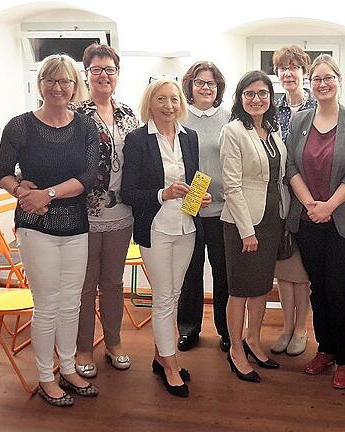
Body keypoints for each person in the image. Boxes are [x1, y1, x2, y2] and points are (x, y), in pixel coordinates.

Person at [0, 54, 99, 407]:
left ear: (75, 86)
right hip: (35, 227)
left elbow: (88, 177)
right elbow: (2, 172)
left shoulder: (84, 126)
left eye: (65, 81)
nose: (58, 88)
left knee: (71, 303)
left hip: (75, 224)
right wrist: (23, 192)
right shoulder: (20, 126)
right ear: (40, 85)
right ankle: (44, 376)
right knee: (47, 305)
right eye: (51, 81)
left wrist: (47, 193)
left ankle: (68, 368)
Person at [120, 77, 211, 398]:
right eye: (161, 99)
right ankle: (171, 367)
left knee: (173, 295)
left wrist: (199, 198)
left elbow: (194, 181)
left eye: (173, 99)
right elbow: (128, 192)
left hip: (186, 226)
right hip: (155, 228)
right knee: (163, 298)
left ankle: (162, 356)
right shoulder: (137, 140)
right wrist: (163, 193)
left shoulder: (191, 137)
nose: (168, 106)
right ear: (150, 103)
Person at [286, 55, 345, 389]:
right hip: (308, 219)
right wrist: (310, 204)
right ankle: (326, 349)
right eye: (316, 79)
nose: (322, 83)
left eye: (328, 77)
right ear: (310, 82)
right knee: (318, 288)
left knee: (338, 289)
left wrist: (329, 206)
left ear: (339, 79)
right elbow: (290, 167)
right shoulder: (299, 121)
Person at [73, 43, 140, 378]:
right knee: (85, 287)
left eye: (109, 70)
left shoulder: (129, 114)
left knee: (113, 283)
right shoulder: (75, 114)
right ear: (86, 75)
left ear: (117, 75)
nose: (103, 76)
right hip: (83, 214)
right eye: (96, 70)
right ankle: (83, 348)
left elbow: (144, 159)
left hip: (121, 213)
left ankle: (113, 343)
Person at [220, 70, 287, 383]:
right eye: (249, 94)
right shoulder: (233, 131)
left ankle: (254, 341)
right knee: (240, 290)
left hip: (272, 218)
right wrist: (247, 230)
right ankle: (236, 351)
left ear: (270, 98)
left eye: (262, 93)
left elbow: (279, 176)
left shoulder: (272, 130)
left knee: (261, 286)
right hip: (243, 224)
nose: (256, 99)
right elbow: (231, 186)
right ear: (240, 98)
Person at [177, 61, 231, 353]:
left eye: (211, 83)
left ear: (218, 87)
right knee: (190, 272)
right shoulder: (181, 118)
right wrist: (194, 198)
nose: (206, 88)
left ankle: (226, 330)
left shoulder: (228, 118)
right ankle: (188, 329)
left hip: (224, 211)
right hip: (189, 208)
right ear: (191, 85)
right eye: (200, 82)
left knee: (224, 273)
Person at [269, 45, 317, 356]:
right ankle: (286, 327)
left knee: (303, 274)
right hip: (278, 199)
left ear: (304, 72)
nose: (288, 73)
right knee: (284, 270)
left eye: (294, 67)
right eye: (283, 68)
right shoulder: (271, 107)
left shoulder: (318, 105)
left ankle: (301, 329)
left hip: (309, 199)